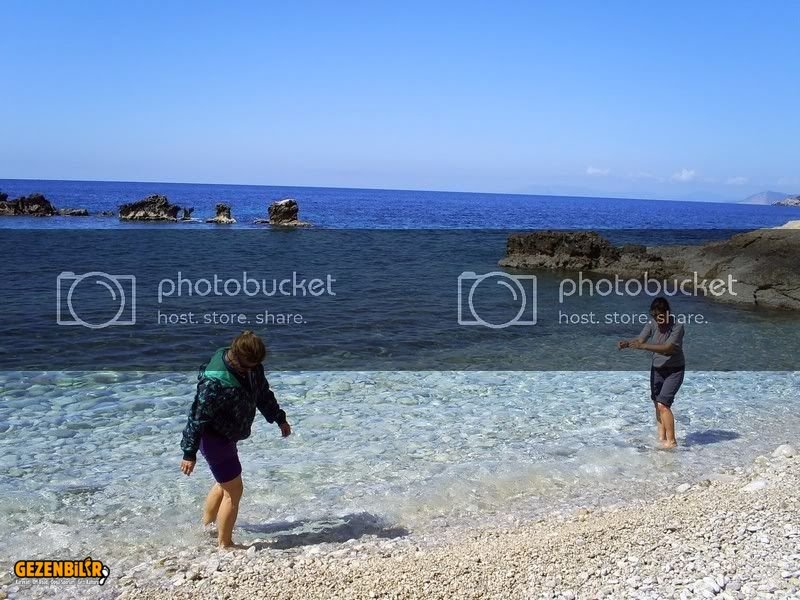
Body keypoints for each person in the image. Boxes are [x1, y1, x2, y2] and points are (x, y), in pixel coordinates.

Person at [179, 330, 291, 548]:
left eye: (255, 365)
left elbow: (263, 395)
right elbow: (197, 417)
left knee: (224, 484)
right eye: (248, 366)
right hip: (213, 438)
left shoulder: (252, 367)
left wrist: (279, 418)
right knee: (234, 490)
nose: (252, 369)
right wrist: (189, 453)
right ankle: (225, 543)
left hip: (227, 435)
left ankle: (208, 529)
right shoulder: (214, 382)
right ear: (237, 356)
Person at [618, 297, 685, 448]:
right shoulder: (652, 323)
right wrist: (627, 343)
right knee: (657, 403)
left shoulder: (677, 326)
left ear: (667, 313)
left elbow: (668, 348)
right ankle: (661, 439)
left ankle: (672, 442)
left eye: (660, 316)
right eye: (654, 316)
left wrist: (644, 347)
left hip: (675, 370)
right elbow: (640, 339)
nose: (657, 320)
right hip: (657, 369)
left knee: (663, 404)